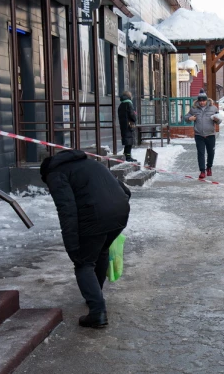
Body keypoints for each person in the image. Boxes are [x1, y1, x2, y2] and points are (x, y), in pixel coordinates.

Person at [40, 150, 131, 328]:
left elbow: (66, 211)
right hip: (120, 214)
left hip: (95, 218)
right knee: (101, 251)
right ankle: (95, 294)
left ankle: (97, 313)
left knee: (83, 263)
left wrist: (72, 245)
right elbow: (125, 191)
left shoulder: (55, 174)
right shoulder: (91, 163)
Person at [185, 92, 222, 179]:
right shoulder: (194, 108)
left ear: (206, 100)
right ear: (198, 101)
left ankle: (209, 167)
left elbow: (220, 120)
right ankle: (202, 171)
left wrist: (217, 119)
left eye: (203, 101)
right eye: (200, 101)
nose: (202, 102)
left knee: (211, 153)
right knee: (201, 153)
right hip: (199, 135)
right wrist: (189, 118)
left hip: (210, 135)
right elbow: (186, 117)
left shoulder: (213, 108)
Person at [117, 91, 138, 163]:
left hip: (123, 125)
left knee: (126, 139)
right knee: (129, 141)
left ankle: (126, 154)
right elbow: (132, 115)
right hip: (129, 125)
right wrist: (135, 117)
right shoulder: (129, 104)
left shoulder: (121, 105)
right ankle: (128, 156)